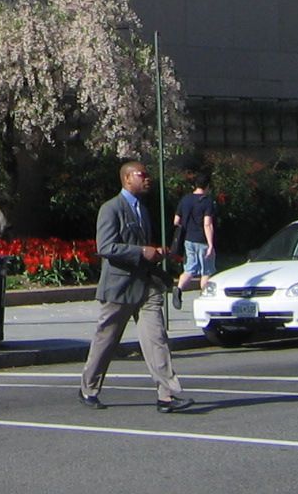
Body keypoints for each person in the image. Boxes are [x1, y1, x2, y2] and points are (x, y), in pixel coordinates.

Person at [79, 159, 193, 412]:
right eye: (143, 174)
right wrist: (142, 251)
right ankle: (89, 387)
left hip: (146, 287)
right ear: (127, 178)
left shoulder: (142, 209)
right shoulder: (111, 209)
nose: (147, 178)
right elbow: (105, 247)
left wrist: (157, 260)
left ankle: (168, 395)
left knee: (157, 340)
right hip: (119, 288)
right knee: (106, 341)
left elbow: (144, 251)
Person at [170, 168, 219, 305]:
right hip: (202, 240)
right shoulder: (207, 201)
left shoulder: (185, 199)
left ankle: (179, 288)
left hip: (188, 239)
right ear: (208, 186)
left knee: (189, 269)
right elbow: (207, 224)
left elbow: (176, 221)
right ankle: (206, 298)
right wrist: (210, 245)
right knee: (206, 272)